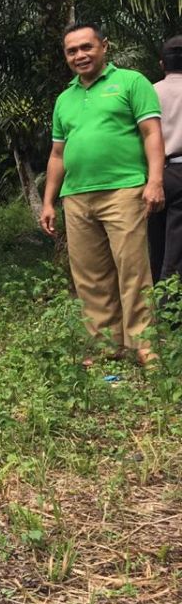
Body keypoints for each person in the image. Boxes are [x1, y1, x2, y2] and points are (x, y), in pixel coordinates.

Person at [39, 23, 164, 365]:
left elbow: (151, 132)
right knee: (89, 275)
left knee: (132, 268)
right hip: (76, 196)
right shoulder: (65, 99)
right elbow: (57, 154)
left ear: (104, 46)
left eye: (86, 47)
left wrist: (154, 181)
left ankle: (144, 344)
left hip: (124, 189)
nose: (80, 55)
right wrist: (49, 200)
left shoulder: (130, 82)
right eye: (72, 51)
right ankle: (106, 345)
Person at [148, 35, 182, 284]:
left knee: (157, 242)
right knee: (177, 248)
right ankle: (170, 309)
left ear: (162, 64)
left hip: (155, 174)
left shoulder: (149, 92)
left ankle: (156, 298)